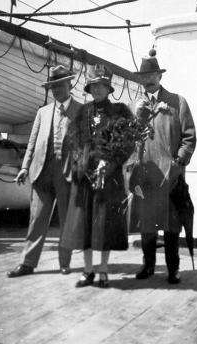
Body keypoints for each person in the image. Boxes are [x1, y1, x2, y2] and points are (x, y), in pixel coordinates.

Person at [61, 64, 135, 288]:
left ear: (108, 88)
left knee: (104, 226)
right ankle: (87, 271)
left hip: (108, 180)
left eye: (102, 86)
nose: (97, 90)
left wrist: (109, 164)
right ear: (90, 88)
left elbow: (127, 143)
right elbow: (72, 142)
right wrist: (80, 164)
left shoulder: (120, 112)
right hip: (85, 180)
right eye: (94, 86)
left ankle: (103, 271)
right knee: (84, 226)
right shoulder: (82, 113)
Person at [7, 65, 82, 277]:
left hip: (68, 174)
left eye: (60, 85)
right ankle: (27, 263)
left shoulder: (82, 111)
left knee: (67, 221)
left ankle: (65, 263)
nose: (56, 90)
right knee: (37, 219)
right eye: (52, 87)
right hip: (41, 172)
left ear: (70, 84)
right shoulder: (43, 112)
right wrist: (24, 167)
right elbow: (32, 143)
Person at [129, 49, 196, 284]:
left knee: (171, 226)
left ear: (159, 76)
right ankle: (148, 266)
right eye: (144, 76)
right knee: (147, 226)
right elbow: (129, 141)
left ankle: (173, 269)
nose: (148, 80)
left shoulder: (177, 102)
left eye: (152, 75)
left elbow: (189, 137)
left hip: (171, 177)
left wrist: (178, 162)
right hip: (146, 178)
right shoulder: (135, 107)